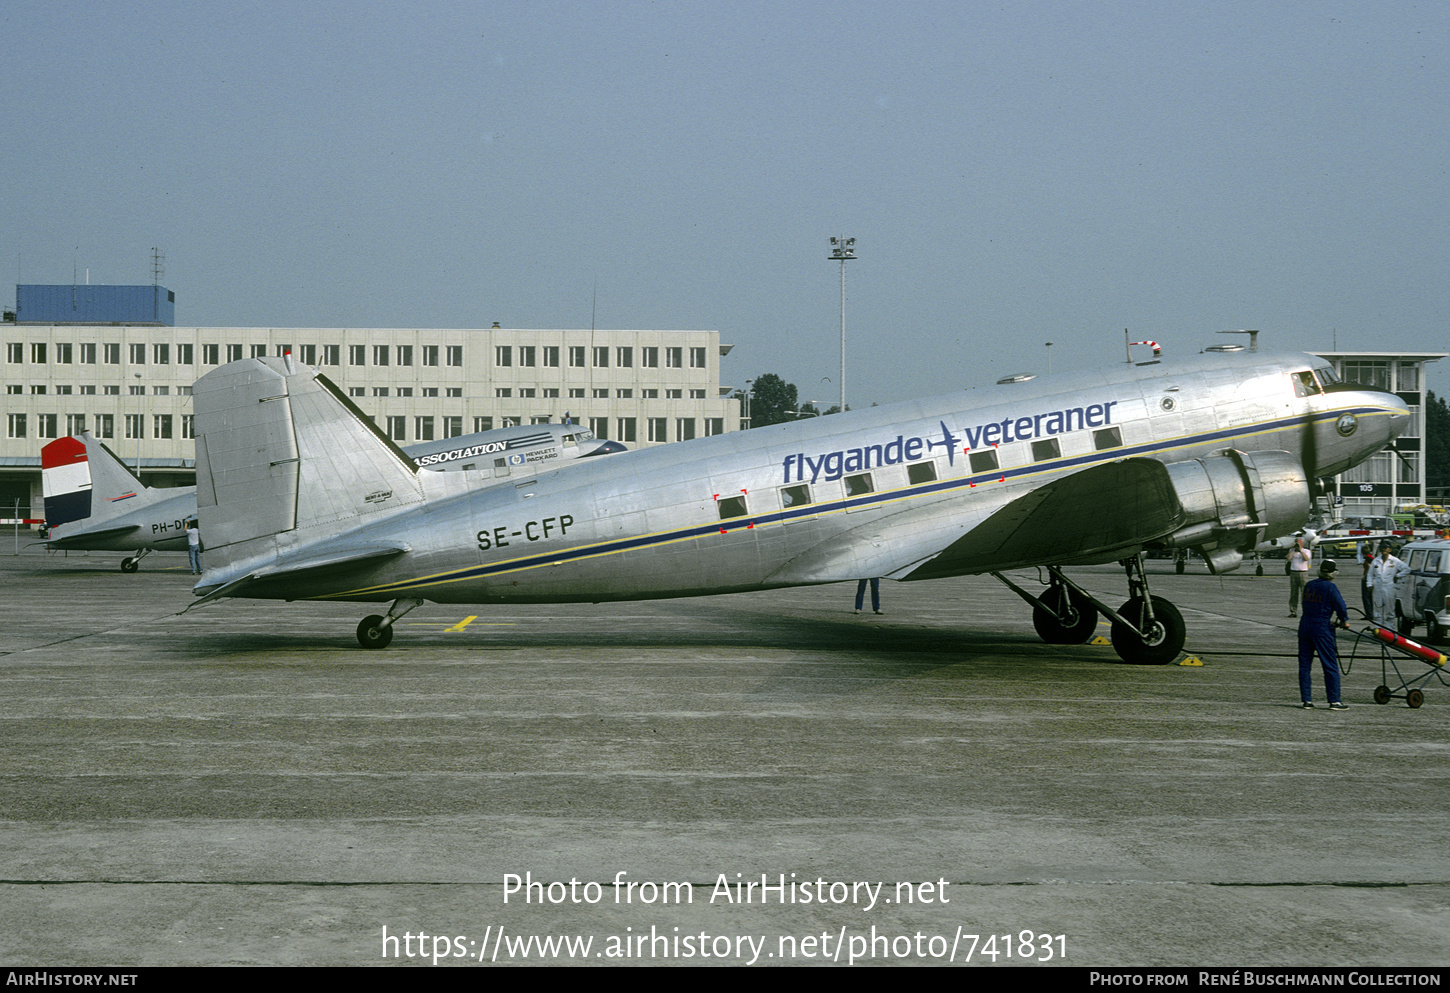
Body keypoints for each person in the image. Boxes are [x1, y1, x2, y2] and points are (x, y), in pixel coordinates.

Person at [1298, 559, 1349, 710]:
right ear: (1333, 573)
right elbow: (1341, 607)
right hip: (1321, 627)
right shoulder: (1331, 587)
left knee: (1305, 664)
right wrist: (1344, 620)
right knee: (1329, 664)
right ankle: (1334, 700)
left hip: (1305, 624)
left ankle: (1306, 700)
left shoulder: (1309, 585)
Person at [1366, 542, 1410, 627]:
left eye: (1386, 548)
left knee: (1390, 611)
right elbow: (1370, 574)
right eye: (1382, 547)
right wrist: (1369, 584)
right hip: (1377, 588)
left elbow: (1407, 569)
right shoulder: (1376, 561)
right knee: (1377, 611)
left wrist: (1398, 576)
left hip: (1389, 588)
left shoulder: (1394, 561)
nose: (1384, 549)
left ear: (1389, 549)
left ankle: (1391, 631)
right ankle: (1378, 630)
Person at [1286, 538, 1312, 617]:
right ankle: (1293, 611)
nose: (1298, 544)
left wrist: (1301, 550)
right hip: (1294, 572)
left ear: (1302, 544)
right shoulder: (1292, 551)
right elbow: (1288, 558)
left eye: (1299, 543)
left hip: (1303, 572)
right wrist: (1293, 549)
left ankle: (1306, 611)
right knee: (1294, 593)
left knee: (1304, 593)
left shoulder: (1306, 551)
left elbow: (1306, 558)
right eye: (1297, 543)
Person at [1356, 541, 1374, 620]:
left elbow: (1369, 567)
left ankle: (1369, 614)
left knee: (1365, 597)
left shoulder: (1367, 559)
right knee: (1371, 597)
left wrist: (1365, 576)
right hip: (1373, 579)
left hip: (1367, 579)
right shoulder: (1372, 558)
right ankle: (1372, 613)